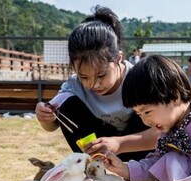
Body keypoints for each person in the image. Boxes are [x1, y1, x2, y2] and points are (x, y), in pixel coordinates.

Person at [35, 6, 159, 162]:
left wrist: (119, 143)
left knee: (154, 111)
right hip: (100, 150)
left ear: (119, 58)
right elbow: (52, 126)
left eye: (101, 75)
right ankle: (92, 168)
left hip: (140, 148)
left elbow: (164, 131)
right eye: (84, 76)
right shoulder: (74, 86)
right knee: (67, 104)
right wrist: (45, 118)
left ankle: (151, 170)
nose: (94, 84)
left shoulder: (140, 79)